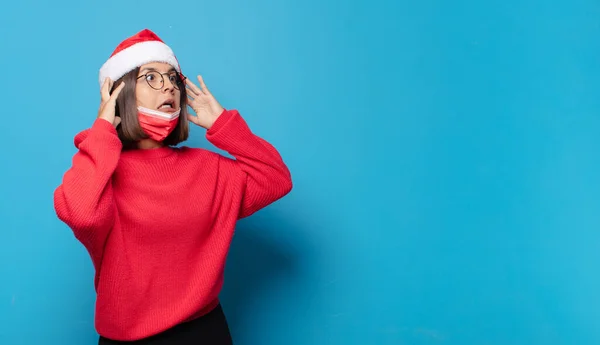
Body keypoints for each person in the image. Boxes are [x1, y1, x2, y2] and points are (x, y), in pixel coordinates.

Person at [53, 28, 293, 344]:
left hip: (205, 331)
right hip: (128, 339)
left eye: (173, 78)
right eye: (151, 77)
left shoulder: (208, 168)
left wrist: (223, 124)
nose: (168, 86)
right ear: (119, 94)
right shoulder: (101, 173)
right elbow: (81, 213)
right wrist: (101, 132)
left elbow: (275, 179)